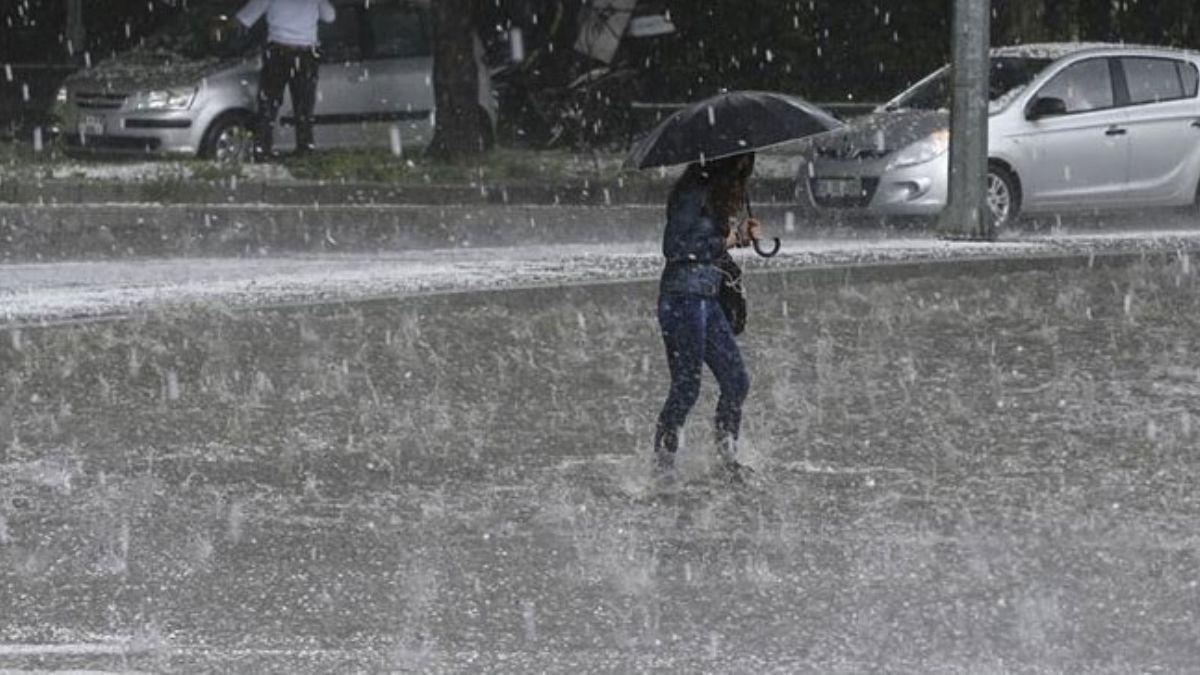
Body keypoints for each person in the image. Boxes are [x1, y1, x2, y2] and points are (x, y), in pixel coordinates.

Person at [653, 152, 763, 484]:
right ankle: (663, 468)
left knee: (736, 381)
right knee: (686, 387)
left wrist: (740, 236)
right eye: (741, 168)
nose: (743, 177)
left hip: (707, 297)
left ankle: (728, 460)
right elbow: (675, 246)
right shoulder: (692, 192)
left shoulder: (711, 193)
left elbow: (707, 246)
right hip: (682, 298)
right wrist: (729, 238)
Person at [234, 0, 336, 160]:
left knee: (269, 104)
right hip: (306, 54)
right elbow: (330, 17)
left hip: (278, 52)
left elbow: (246, 17)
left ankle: (263, 150)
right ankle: (304, 150)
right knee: (304, 106)